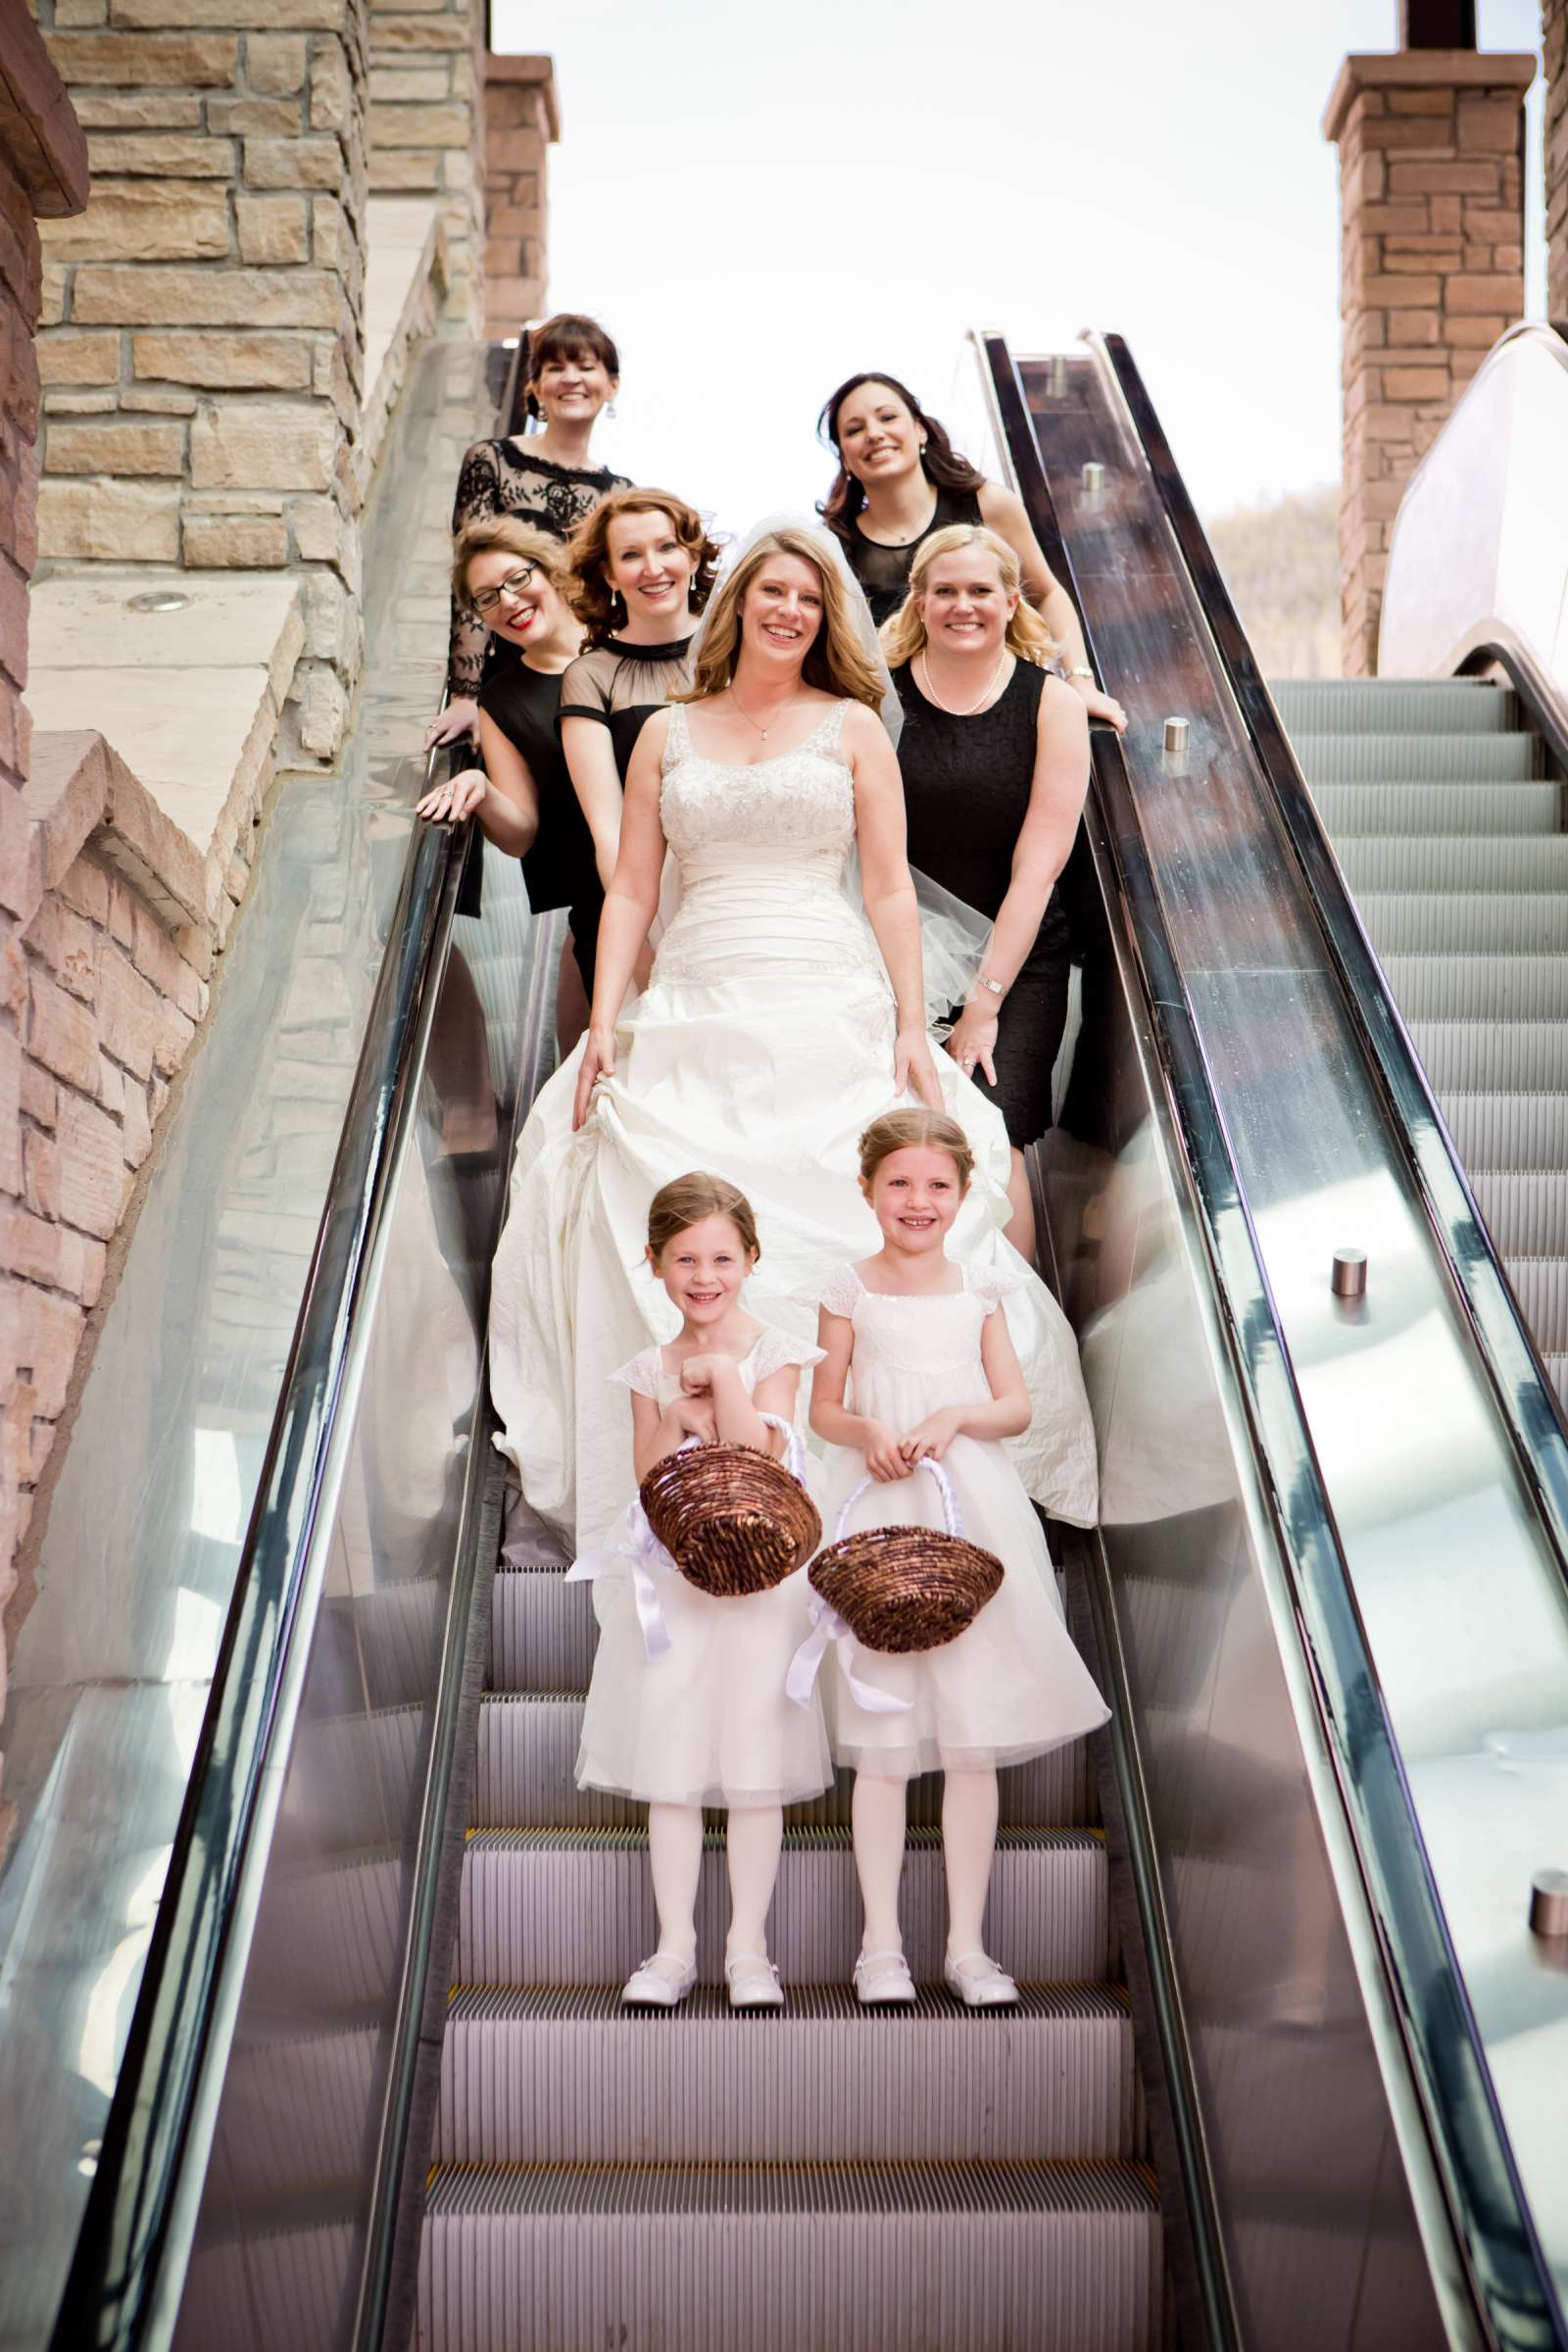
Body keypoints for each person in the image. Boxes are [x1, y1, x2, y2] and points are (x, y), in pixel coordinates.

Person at [486, 517, 1099, 1557]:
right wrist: (601, 1025)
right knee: (630, 1168)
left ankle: (888, 1477)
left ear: (828, 619)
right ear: (737, 609)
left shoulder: (853, 727)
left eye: (809, 600)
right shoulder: (664, 734)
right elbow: (631, 886)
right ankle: (698, 1479)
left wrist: (912, 1026)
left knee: (888, 1175)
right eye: (771, 594)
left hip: (828, 984)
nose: (788, 611)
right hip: (694, 989)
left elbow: (891, 888)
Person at [805, 1109, 1107, 2008]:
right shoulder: (847, 1289)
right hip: (878, 1504)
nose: (918, 1200)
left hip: (968, 1506)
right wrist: (865, 1430)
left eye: (937, 1185)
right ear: (867, 1192)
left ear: (963, 1196)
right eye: (899, 1183)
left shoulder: (979, 1290)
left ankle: (968, 1947)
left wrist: (952, 1418)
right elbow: (824, 1405)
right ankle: (881, 1946)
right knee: (886, 1743)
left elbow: (1014, 1406)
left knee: (971, 1744)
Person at [568, 1172, 830, 2010]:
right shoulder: (649, 1369)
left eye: (722, 1257)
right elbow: (647, 1475)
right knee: (673, 1766)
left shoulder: (778, 1354)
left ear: (751, 1259)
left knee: (755, 1764)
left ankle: (749, 1948)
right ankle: (674, 1946)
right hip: (676, 1579)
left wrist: (721, 1378)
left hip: (760, 1586)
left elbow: (759, 1457)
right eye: (685, 1260)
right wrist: (674, 1417)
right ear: (654, 1264)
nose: (704, 1275)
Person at [884, 523, 1091, 1259]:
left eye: (979, 591)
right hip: (893, 957)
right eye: (945, 591)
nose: (961, 605)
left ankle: (1015, 1333)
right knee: (900, 1143)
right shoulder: (879, 698)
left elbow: (1038, 871)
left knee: (991, 1136)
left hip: (1015, 960)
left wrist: (984, 1005)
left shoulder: (1052, 705)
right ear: (920, 602)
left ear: (1010, 601)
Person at [817, 368, 1126, 733]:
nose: (873, 433)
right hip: (892, 730)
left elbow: (1046, 594)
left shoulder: (989, 505)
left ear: (920, 430)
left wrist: (1079, 681)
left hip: (992, 713)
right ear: (845, 458)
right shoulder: (835, 544)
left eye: (887, 417)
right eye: (854, 430)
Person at [416, 519, 608, 1028]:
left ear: (547, 569)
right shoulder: (501, 701)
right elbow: (522, 835)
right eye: (486, 598)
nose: (507, 601)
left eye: (517, 579)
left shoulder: (624, 635)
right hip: (602, 904)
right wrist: (479, 788)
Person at [426, 312, 630, 753]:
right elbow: (471, 584)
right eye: (555, 368)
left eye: (586, 366)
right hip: (509, 677)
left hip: (585, 678)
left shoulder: (620, 495)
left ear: (611, 385)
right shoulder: (491, 461)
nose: (571, 379)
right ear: (534, 387)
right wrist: (465, 694)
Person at [559, 488, 720, 895]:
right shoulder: (590, 676)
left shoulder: (741, 651)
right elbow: (609, 831)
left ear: (694, 558)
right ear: (610, 574)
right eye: (631, 555)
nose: (653, 568)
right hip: (642, 894)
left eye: (667, 547)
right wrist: (640, 934)